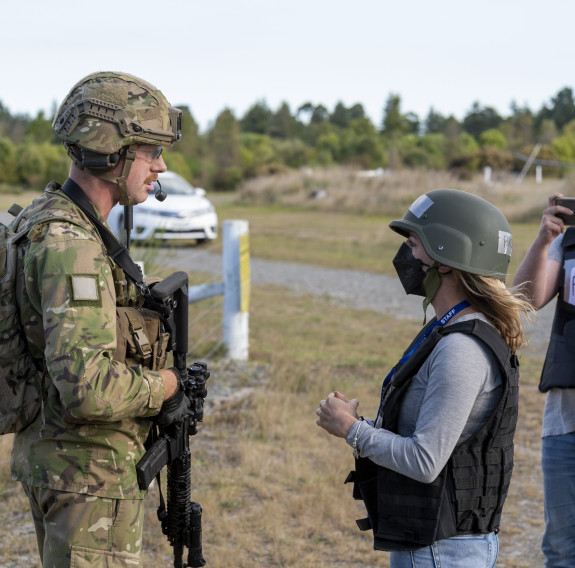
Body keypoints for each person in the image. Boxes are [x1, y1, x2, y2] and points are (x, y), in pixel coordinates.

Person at [10, 71, 191, 567]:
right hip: (86, 475)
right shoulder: (73, 246)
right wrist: (169, 384)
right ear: (108, 151)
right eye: (150, 150)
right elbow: (87, 387)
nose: (161, 164)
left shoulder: (56, 221)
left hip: (70, 466)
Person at [316, 189, 534, 568]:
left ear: (446, 259)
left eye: (414, 243)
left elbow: (424, 460)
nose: (405, 255)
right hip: (436, 545)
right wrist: (364, 423)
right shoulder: (452, 329)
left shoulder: (462, 349)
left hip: (440, 552)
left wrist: (351, 429)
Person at [512, 193, 575, 568]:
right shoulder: (568, 244)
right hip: (566, 424)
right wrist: (544, 239)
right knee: (563, 550)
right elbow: (524, 298)